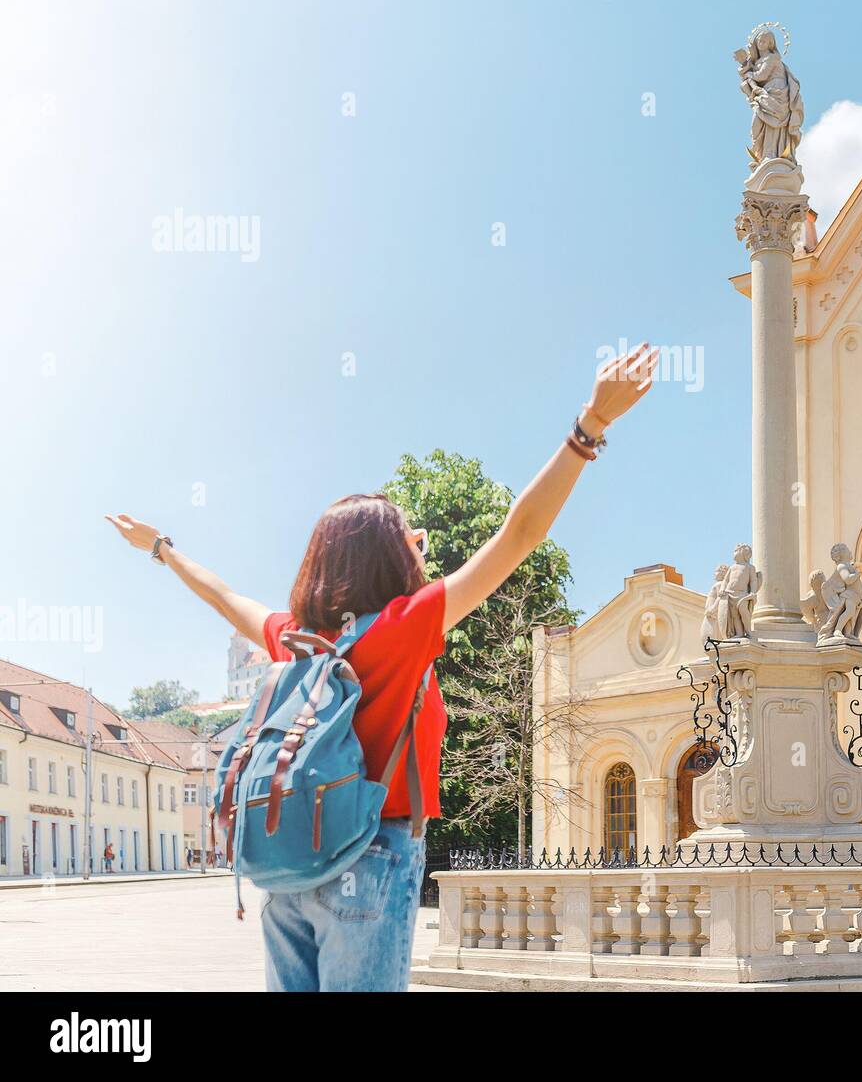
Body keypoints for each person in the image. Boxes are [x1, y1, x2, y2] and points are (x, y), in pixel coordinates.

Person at [105, 345, 656, 991]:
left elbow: (224, 595)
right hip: (374, 852)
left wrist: (161, 547)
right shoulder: (409, 624)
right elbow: (519, 533)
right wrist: (590, 425)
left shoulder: (296, 637)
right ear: (392, 556)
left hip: (292, 864)